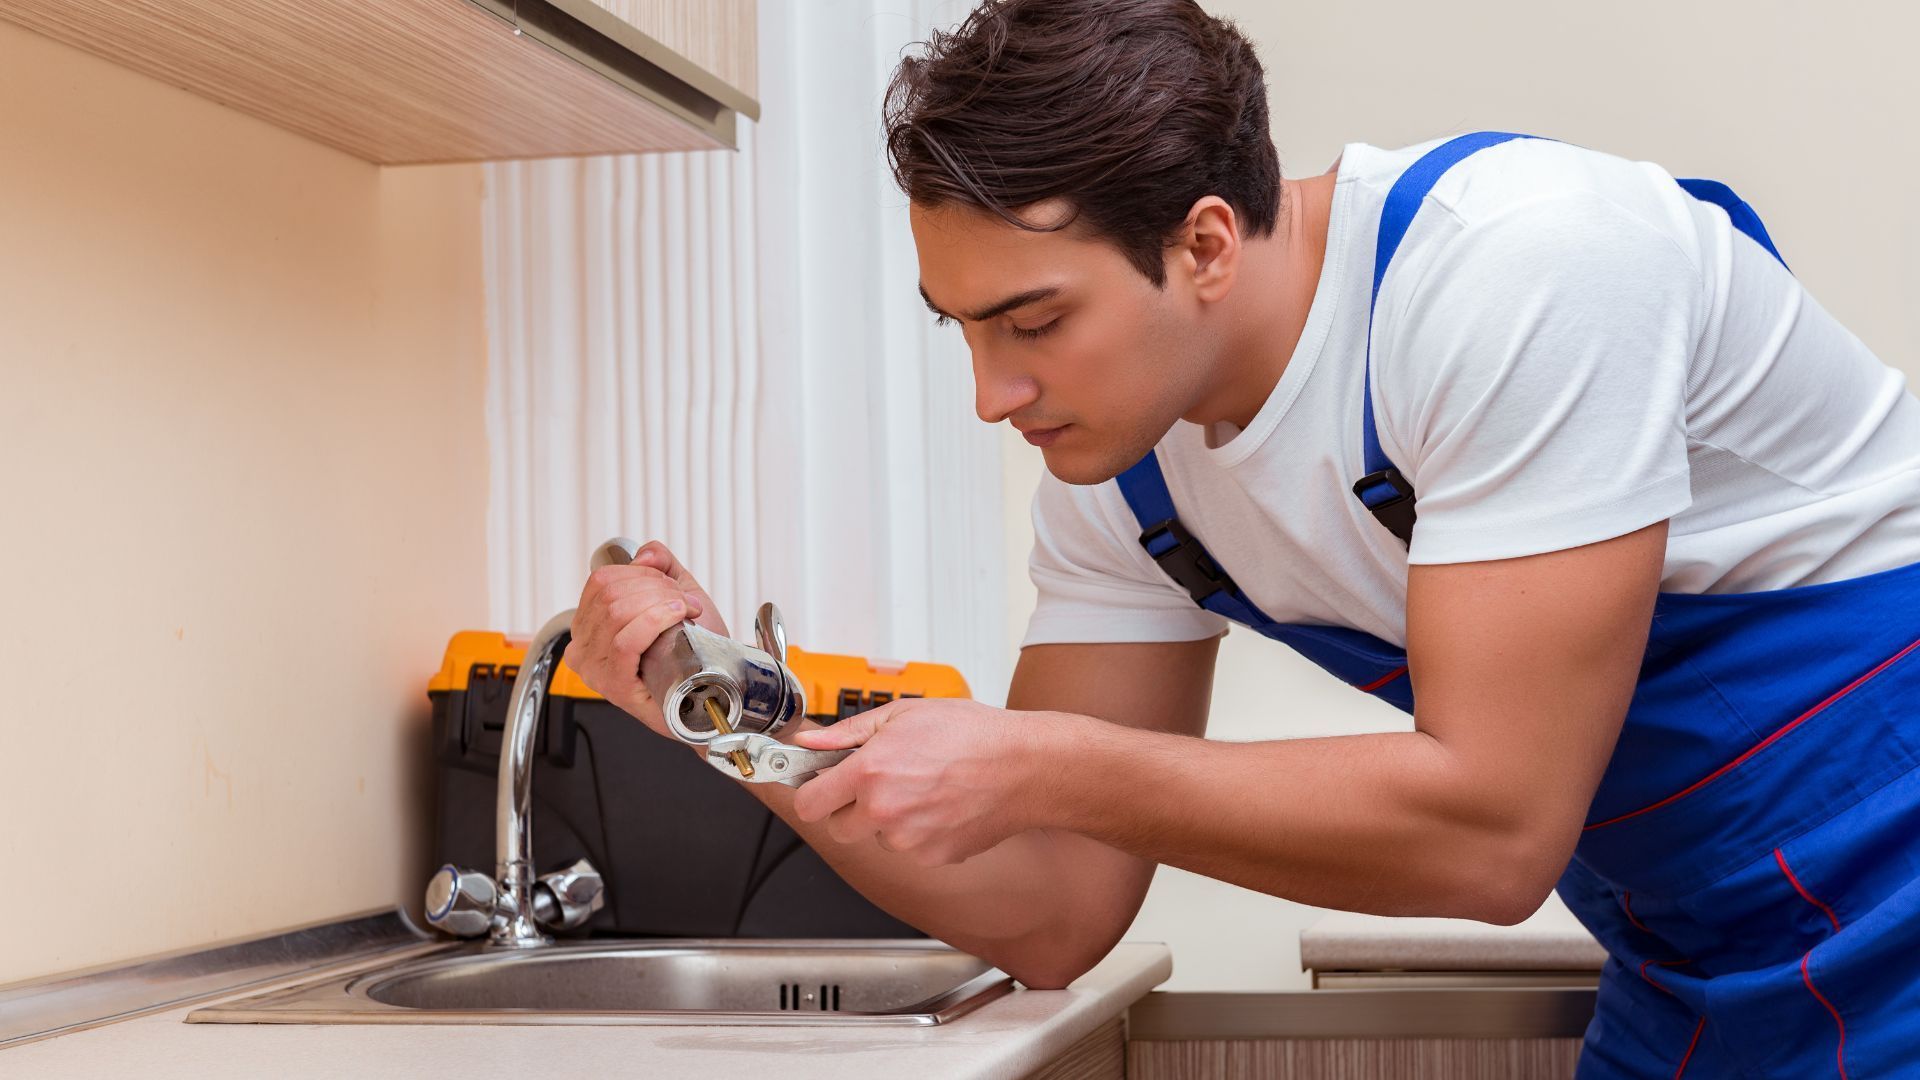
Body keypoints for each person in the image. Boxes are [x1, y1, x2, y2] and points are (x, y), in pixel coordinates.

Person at [564, 1, 1920, 1074]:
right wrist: (717, 723)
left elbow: (1495, 836)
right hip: (1700, 956)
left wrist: (1041, 758)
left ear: (1206, 242)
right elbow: (1050, 914)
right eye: (962, 328)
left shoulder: (1524, 274)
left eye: (1033, 323)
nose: (993, 394)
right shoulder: (1117, 483)